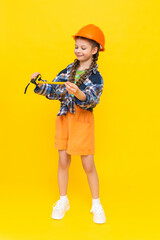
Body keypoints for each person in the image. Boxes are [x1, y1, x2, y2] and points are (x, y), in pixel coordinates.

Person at [31, 24, 106, 224]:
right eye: (76, 47)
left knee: (88, 163)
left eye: (83, 47)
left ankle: (96, 203)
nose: (78, 50)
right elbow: (55, 90)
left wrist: (77, 93)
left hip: (82, 120)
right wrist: (39, 85)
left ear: (94, 50)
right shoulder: (68, 70)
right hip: (65, 117)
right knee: (63, 159)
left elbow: (92, 99)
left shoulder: (95, 77)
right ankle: (63, 200)